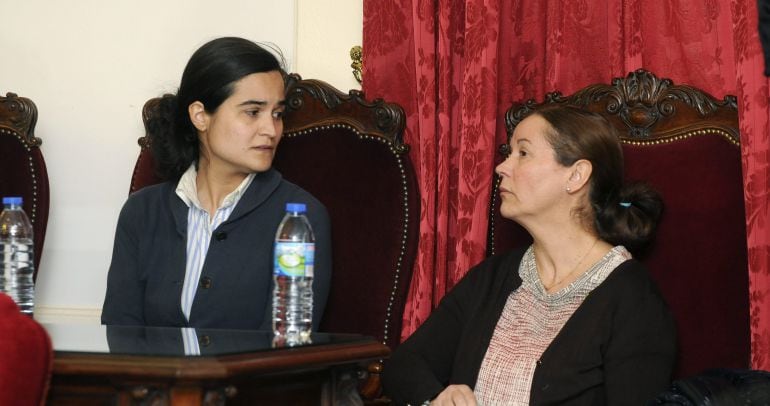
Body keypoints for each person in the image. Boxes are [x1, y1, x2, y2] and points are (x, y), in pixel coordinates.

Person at [381, 105, 676, 405]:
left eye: (522, 153)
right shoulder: (492, 277)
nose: (501, 168)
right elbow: (404, 366)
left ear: (576, 176)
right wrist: (436, 399)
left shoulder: (632, 297)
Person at [101, 37, 331, 331]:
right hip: (151, 378)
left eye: (277, 114)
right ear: (200, 116)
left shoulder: (301, 219)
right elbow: (120, 334)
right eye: (252, 112)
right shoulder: (141, 212)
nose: (271, 129)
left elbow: (287, 347)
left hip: (256, 379)